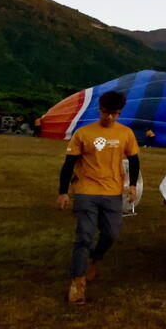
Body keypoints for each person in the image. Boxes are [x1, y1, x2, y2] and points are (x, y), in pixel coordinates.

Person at [56, 90, 139, 304]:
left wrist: (131, 186)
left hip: (112, 192)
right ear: (99, 110)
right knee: (84, 236)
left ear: (119, 113)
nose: (109, 117)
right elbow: (68, 165)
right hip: (86, 190)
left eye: (114, 114)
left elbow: (134, 160)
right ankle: (77, 282)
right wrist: (63, 192)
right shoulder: (83, 133)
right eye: (105, 113)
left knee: (110, 235)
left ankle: (94, 260)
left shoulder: (126, 134)